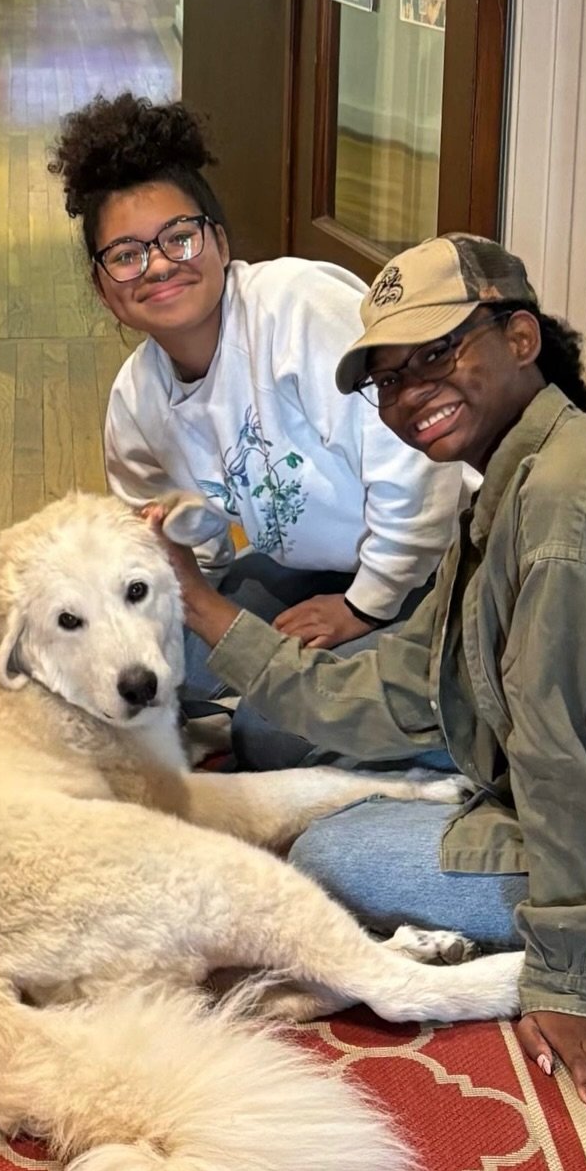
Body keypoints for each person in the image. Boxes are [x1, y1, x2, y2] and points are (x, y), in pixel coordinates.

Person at [160, 231, 586, 1116]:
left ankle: (527, 935)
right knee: (272, 728)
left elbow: (576, 766)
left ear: (520, 338)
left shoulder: (560, 515)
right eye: (391, 377)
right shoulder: (531, 471)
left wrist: (570, 985)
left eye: (439, 353)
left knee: (335, 853)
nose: (411, 393)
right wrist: (197, 598)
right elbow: (413, 680)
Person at [48, 94, 466, 714]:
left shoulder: (294, 306)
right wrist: (195, 595)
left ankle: (445, 708)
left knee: (271, 735)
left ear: (219, 242)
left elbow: (420, 465)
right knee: (161, 678)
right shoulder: (136, 400)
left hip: (435, 563)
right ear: (104, 288)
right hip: (321, 567)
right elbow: (181, 541)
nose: (159, 266)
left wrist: (363, 605)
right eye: (127, 255)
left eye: (179, 238)